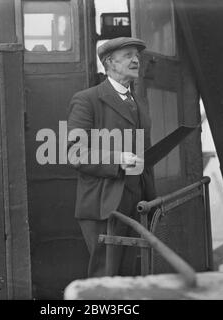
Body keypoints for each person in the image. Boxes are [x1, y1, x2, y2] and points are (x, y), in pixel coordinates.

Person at [67, 37, 156, 277]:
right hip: (102, 204)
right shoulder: (87, 100)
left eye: (137, 55)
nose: (136, 60)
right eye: (128, 55)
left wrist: (152, 200)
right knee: (105, 277)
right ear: (109, 62)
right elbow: (76, 154)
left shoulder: (138, 101)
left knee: (125, 277)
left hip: (135, 201)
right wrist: (118, 159)